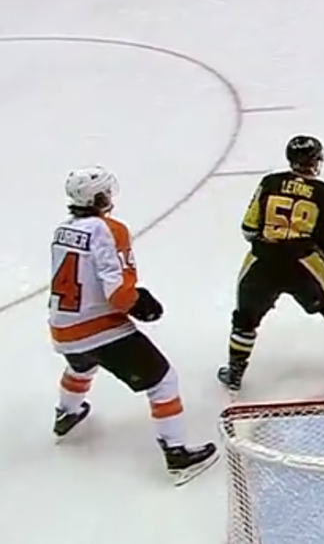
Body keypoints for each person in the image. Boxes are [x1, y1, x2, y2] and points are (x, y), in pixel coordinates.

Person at [49, 166, 217, 485]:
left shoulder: (62, 230)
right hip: (98, 328)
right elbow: (117, 292)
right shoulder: (110, 229)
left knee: (82, 364)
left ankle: (66, 412)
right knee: (163, 381)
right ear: (99, 198)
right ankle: (177, 454)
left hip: (62, 327)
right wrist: (140, 304)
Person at [218, 135, 324, 391]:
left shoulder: (269, 183)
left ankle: (235, 372)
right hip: (304, 262)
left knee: (245, 319)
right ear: (316, 160)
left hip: (262, 259)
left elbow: (249, 229)